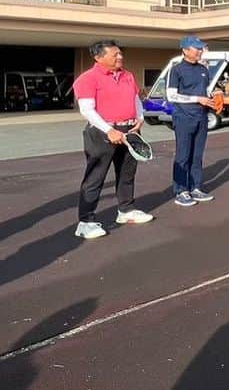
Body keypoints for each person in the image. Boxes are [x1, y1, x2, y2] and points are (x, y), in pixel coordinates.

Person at [72, 39, 154, 238]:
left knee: (127, 173)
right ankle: (85, 222)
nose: (120, 57)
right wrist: (109, 130)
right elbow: (87, 109)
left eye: (120, 53)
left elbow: (136, 100)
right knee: (95, 177)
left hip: (129, 129)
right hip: (102, 132)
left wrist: (140, 118)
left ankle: (126, 210)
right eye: (114, 54)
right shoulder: (88, 78)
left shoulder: (127, 75)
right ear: (98, 57)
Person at [166, 35, 216, 207]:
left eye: (201, 48)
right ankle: (181, 191)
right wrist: (197, 99)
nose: (200, 51)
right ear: (185, 50)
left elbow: (205, 91)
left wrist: (214, 97)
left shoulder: (203, 69)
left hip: (201, 117)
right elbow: (171, 95)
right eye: (197, 48)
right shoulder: (177, 69)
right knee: (183, 155)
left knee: (197, 155)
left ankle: (195, 187)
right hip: (183, 118)